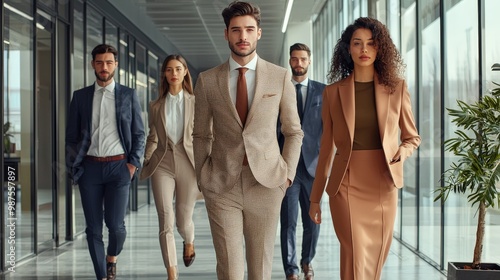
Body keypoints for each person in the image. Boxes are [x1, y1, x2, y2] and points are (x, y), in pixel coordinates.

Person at [192, 1, 304, 279]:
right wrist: (202, 177)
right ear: (226, 34)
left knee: (260, 268)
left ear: (259, 33)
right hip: (221, 184)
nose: (243, 36)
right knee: (229, 269)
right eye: (236, 30)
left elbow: (293, 131)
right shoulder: (207, 80)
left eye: (249, 30)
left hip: (266, 184)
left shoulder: (279, 77)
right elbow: (201, 134)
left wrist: (286, 176)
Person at [308, 17, 421, 280]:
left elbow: (412, 137)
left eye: (371, 44)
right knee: (354, 252)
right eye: (357, 44)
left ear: (380, 48)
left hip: (383, 182)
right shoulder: (333, 93)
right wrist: (315, 199)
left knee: (375, 257)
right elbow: (326, 148)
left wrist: (402, 152)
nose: (364, 50)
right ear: (348, 49)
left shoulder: (397, 89)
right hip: (346, 184)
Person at [65, 44, 145, 280]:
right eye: (99, 62)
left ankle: (112, 257)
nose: (104, 67)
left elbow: (139, 133)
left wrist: (132, 164)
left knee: (116, 226)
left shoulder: (128, 95)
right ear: (93, 64)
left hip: (119, 168)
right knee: (93, 229)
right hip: (89, 168)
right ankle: (102, 275)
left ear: (116, 65)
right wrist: (74, 166)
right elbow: (71, 137)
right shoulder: (80, 97)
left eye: (109, 62)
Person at [139, 54, 200, 280]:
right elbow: (153, 137)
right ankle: (172, 273)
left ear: (185, 72)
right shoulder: (155, 106)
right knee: (165, 218)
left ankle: (189, 240)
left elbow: (206, 136)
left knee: (183, 219)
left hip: (188, 162)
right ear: (164, 74)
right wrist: (145, 159)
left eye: (178, 69)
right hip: (162, 162)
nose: (173, 73)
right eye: (169, 70)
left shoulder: (197, 103)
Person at [278, 43, 325, 280]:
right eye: (295, 59)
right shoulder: (280, 89)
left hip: (313, 168)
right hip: (287, 167)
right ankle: (291, 270)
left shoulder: (323, 92)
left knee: (312, 221)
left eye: (303, 59)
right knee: (288, 222)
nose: (299, 63)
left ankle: (307, 262)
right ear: (289, 61)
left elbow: (328, 130)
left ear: (309, 61)